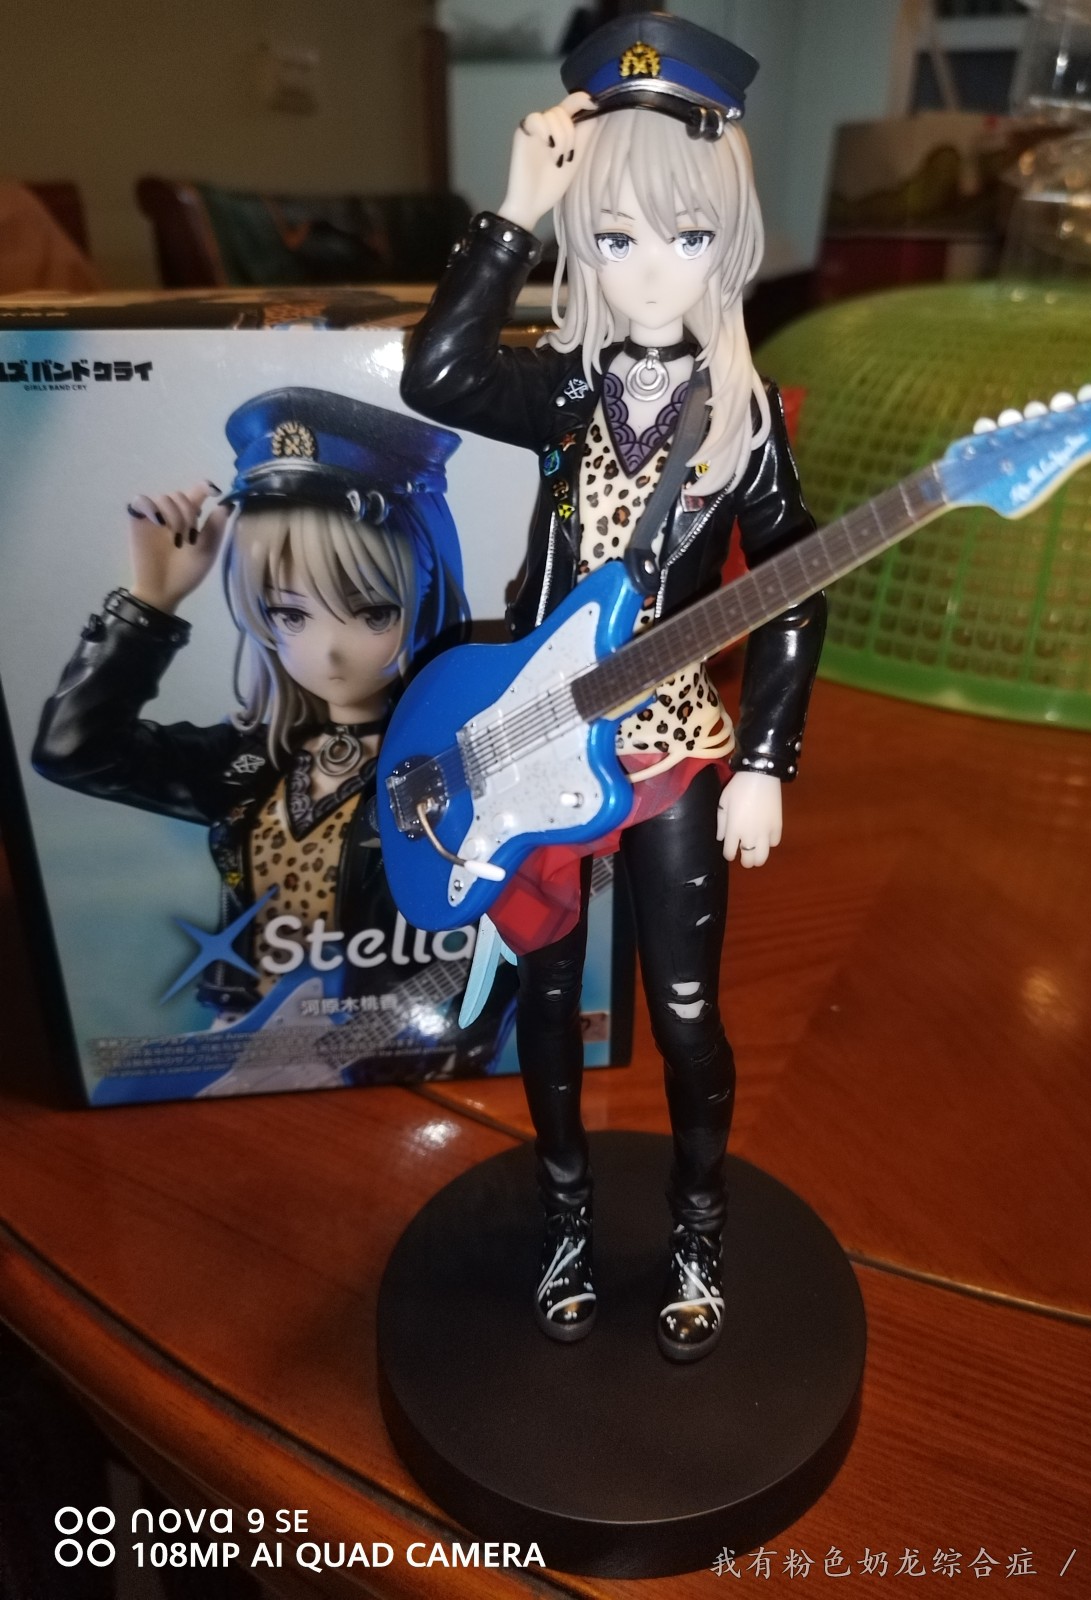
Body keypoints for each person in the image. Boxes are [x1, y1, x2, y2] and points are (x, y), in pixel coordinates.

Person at [400, 13, 826, 1360]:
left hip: (674, 743)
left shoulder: (742, 422)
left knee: (687, 1007)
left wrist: (767, 759)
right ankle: (567, 1220)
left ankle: (698, 1227)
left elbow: (794, 586)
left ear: (728, 244)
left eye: (686, 236)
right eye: (615, 236)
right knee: (547, 997)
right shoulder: (567, 389)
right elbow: (438, 371)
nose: (650, 269)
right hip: (532, 746)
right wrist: (516, 212)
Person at [33, 388, 510, 1086]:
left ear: (425, 596)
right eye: (289, 615)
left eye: (372, 612)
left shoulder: (458, 765)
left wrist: (446, 1053)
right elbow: (74, 751)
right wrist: (151, 603)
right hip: (234, 1057)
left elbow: (500, 941)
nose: (328, 651)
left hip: (380, 1063)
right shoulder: (251, 762)